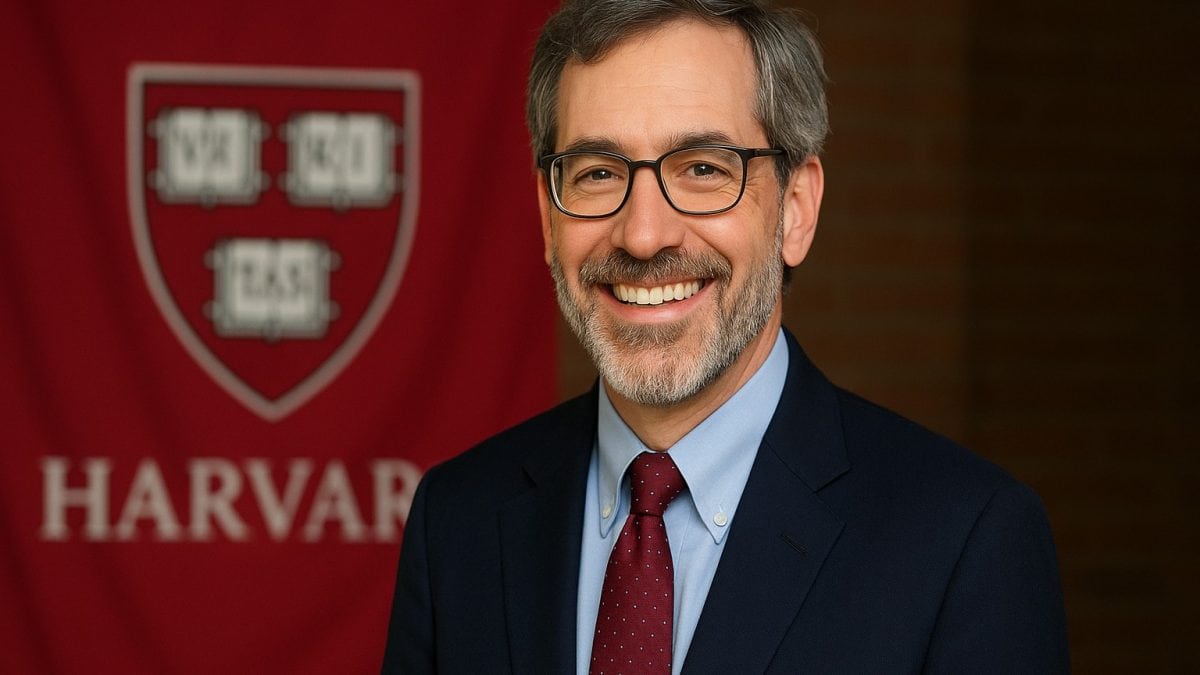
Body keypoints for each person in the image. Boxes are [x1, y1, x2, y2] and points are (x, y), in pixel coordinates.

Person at [382, 0, 1069, 672]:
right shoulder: (458, 522)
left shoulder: (964, 541)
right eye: (598, 174)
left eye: (703, 169)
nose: (643, 235)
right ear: (547, 216)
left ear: (795, 209)